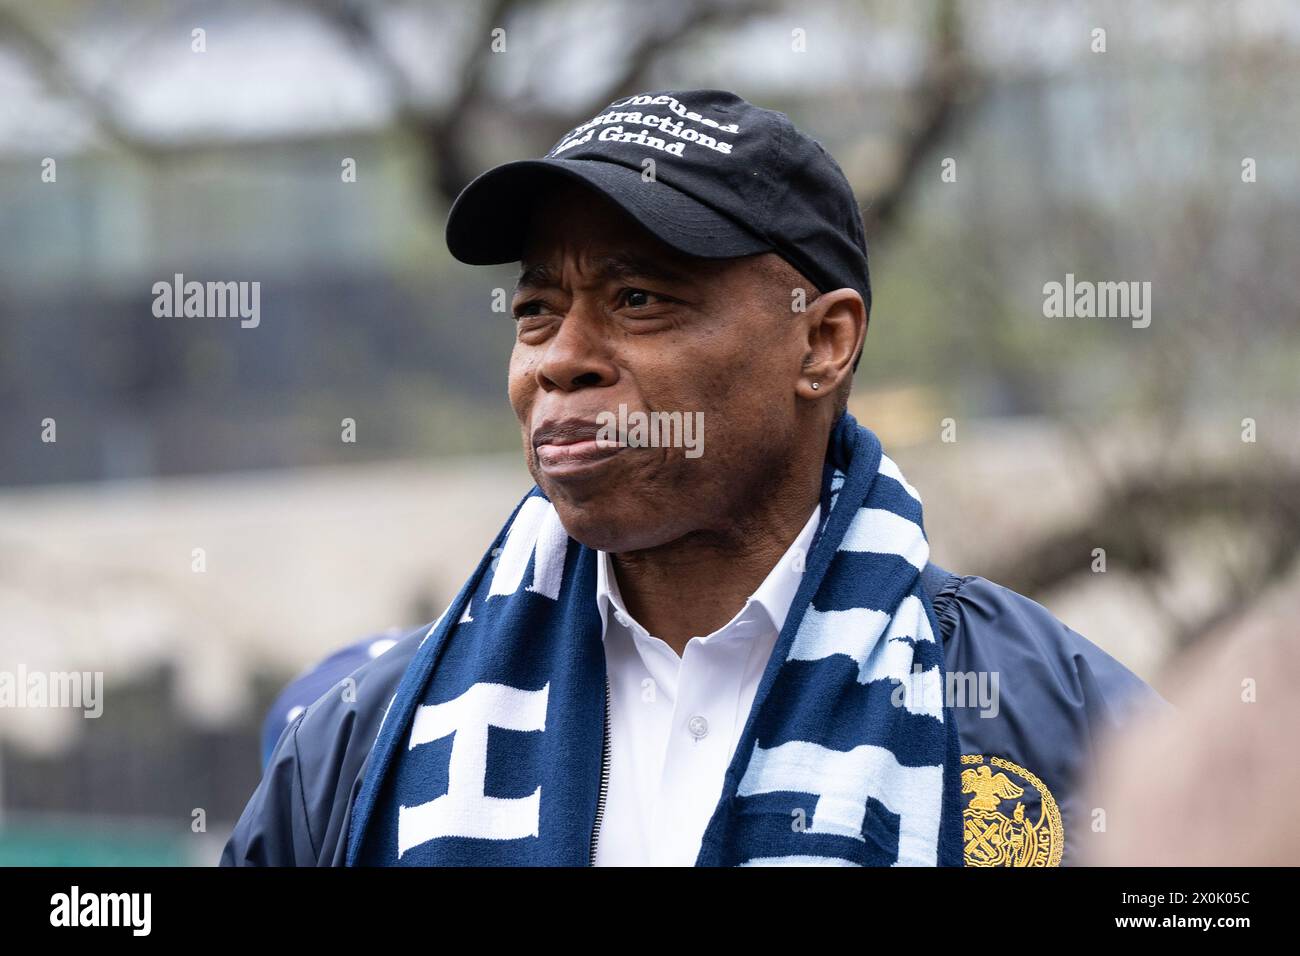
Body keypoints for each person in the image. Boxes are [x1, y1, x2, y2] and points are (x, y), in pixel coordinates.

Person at [223, 89, 1163, 867]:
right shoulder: (362, 747)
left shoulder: (1067, 734)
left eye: (638, 300)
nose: (561, 360)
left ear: (822, 342)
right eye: (538, 310)